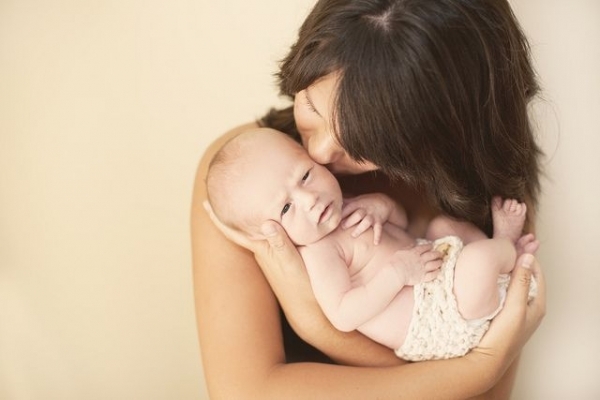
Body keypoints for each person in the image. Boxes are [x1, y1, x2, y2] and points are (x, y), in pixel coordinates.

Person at [192, 0, 546, 398]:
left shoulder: (482, 190)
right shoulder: (242, 182)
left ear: (440, 136)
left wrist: (319, 324)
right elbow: (243, 393)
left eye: (363, 143)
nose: (322, 153)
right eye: (310, 105)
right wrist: (478, 369)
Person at [205, 127, 539, 362]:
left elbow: (403, 226)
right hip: (437, 321)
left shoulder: (345, 205)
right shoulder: (320, 253)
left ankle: (497, 260)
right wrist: (397, 273)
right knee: (479, 262)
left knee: (443, 224)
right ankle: (506, 245)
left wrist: (381, 205)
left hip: (438, 275)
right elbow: (343, 314)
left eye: (305, 175)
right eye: (286, 208)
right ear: (269, 232)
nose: (309, 200)